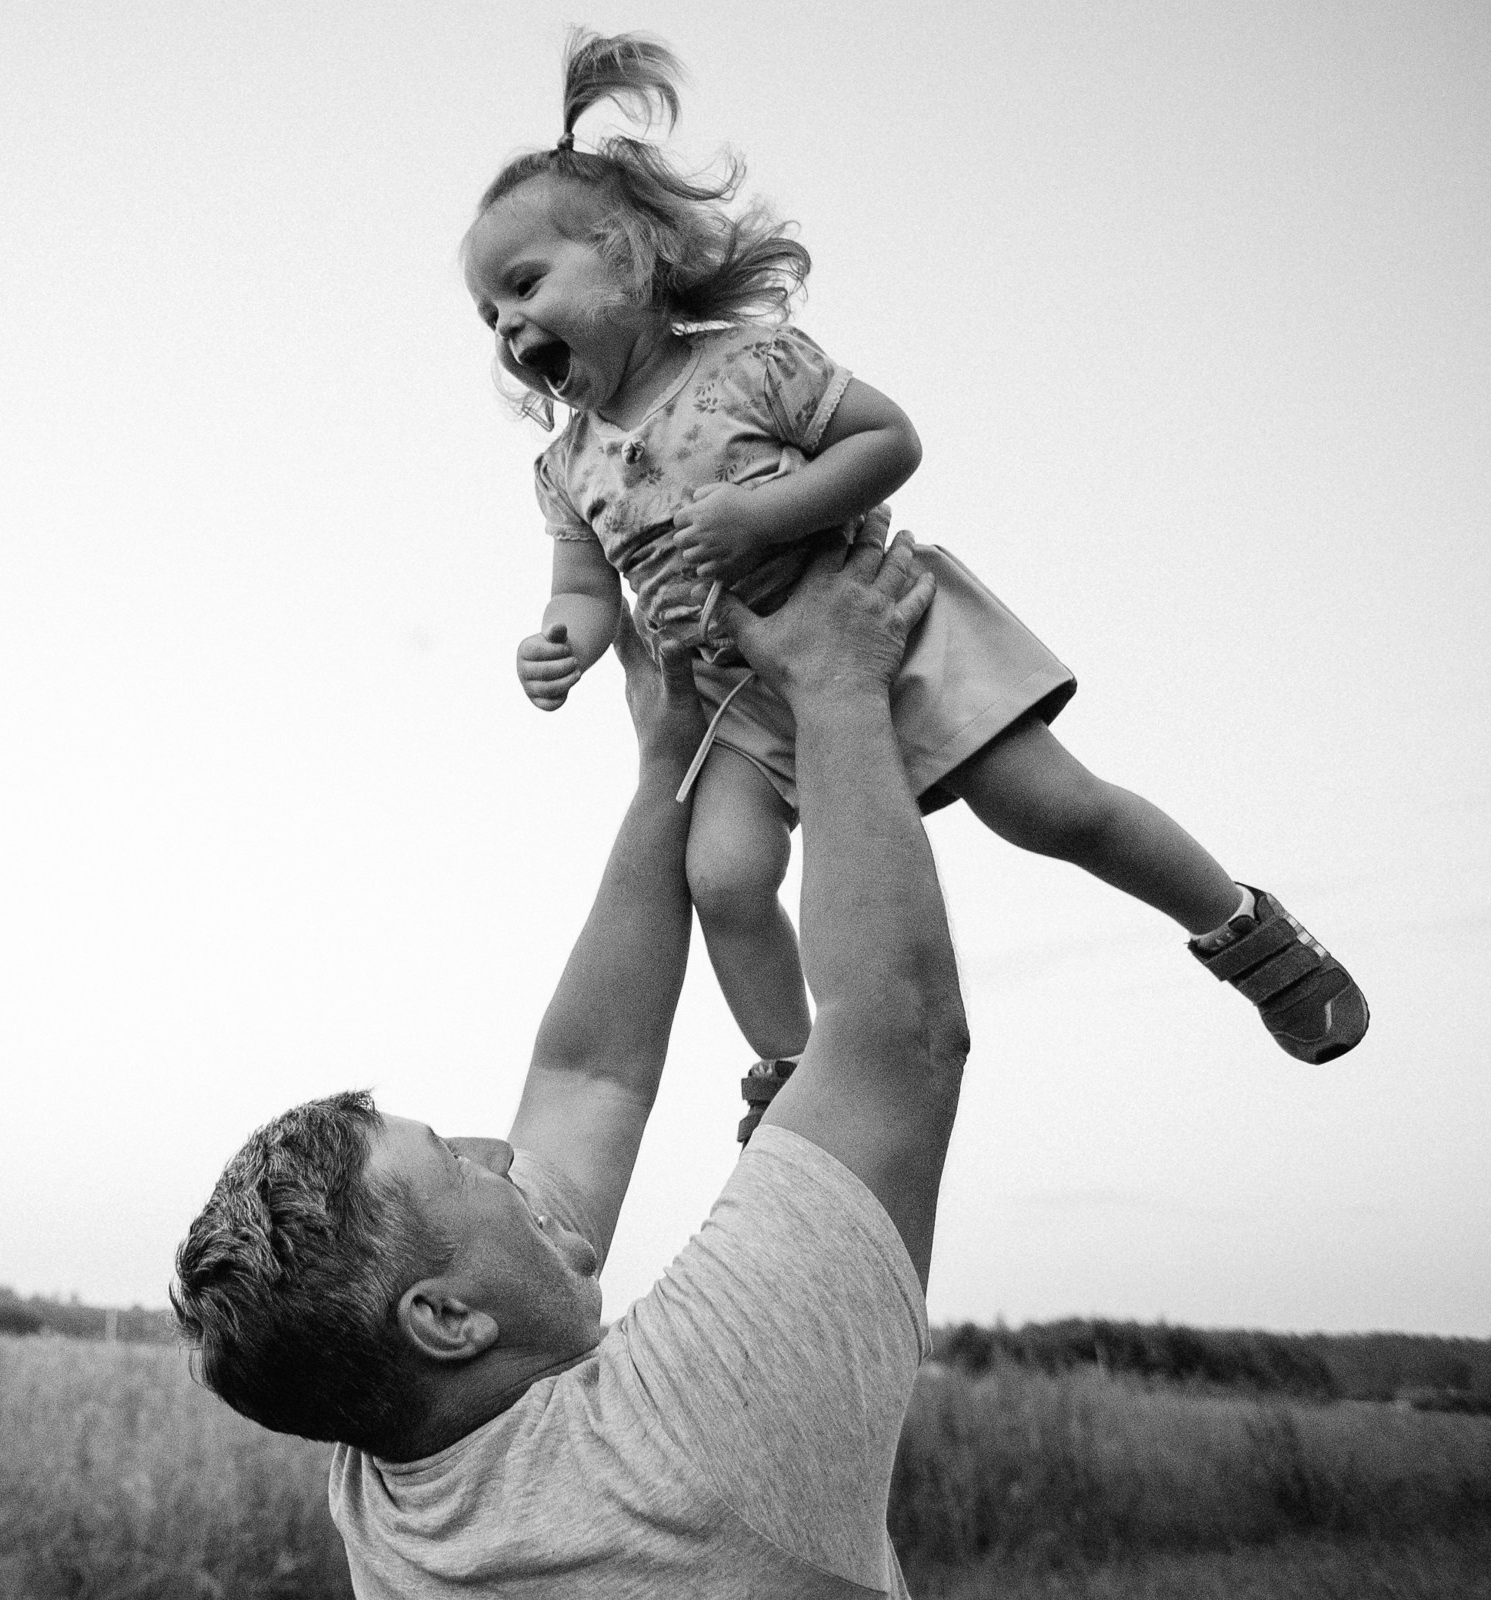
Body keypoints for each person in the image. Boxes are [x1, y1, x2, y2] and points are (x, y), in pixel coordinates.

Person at [475, 31, 1364, 1137]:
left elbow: (888, 442)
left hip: (877, 618)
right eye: (490, 317)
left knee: (1051, 806)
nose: (509, 327)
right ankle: (798, 1073)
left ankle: (1240, 925)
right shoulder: (566, 465)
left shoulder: (753, 363)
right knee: (725, 874)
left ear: (629, 256)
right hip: (742, 696)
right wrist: (557, 641)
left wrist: (764, 511)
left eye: (523, 285)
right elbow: (584, 587)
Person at [174, 536, 959, 1596]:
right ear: (446, 1320)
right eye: (456, 1166)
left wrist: (663, 769)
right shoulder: (691, 1437)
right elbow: (895, 1033)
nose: (501, 1150)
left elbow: (590, 1074)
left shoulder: (391, 1471)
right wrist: (836, 682)